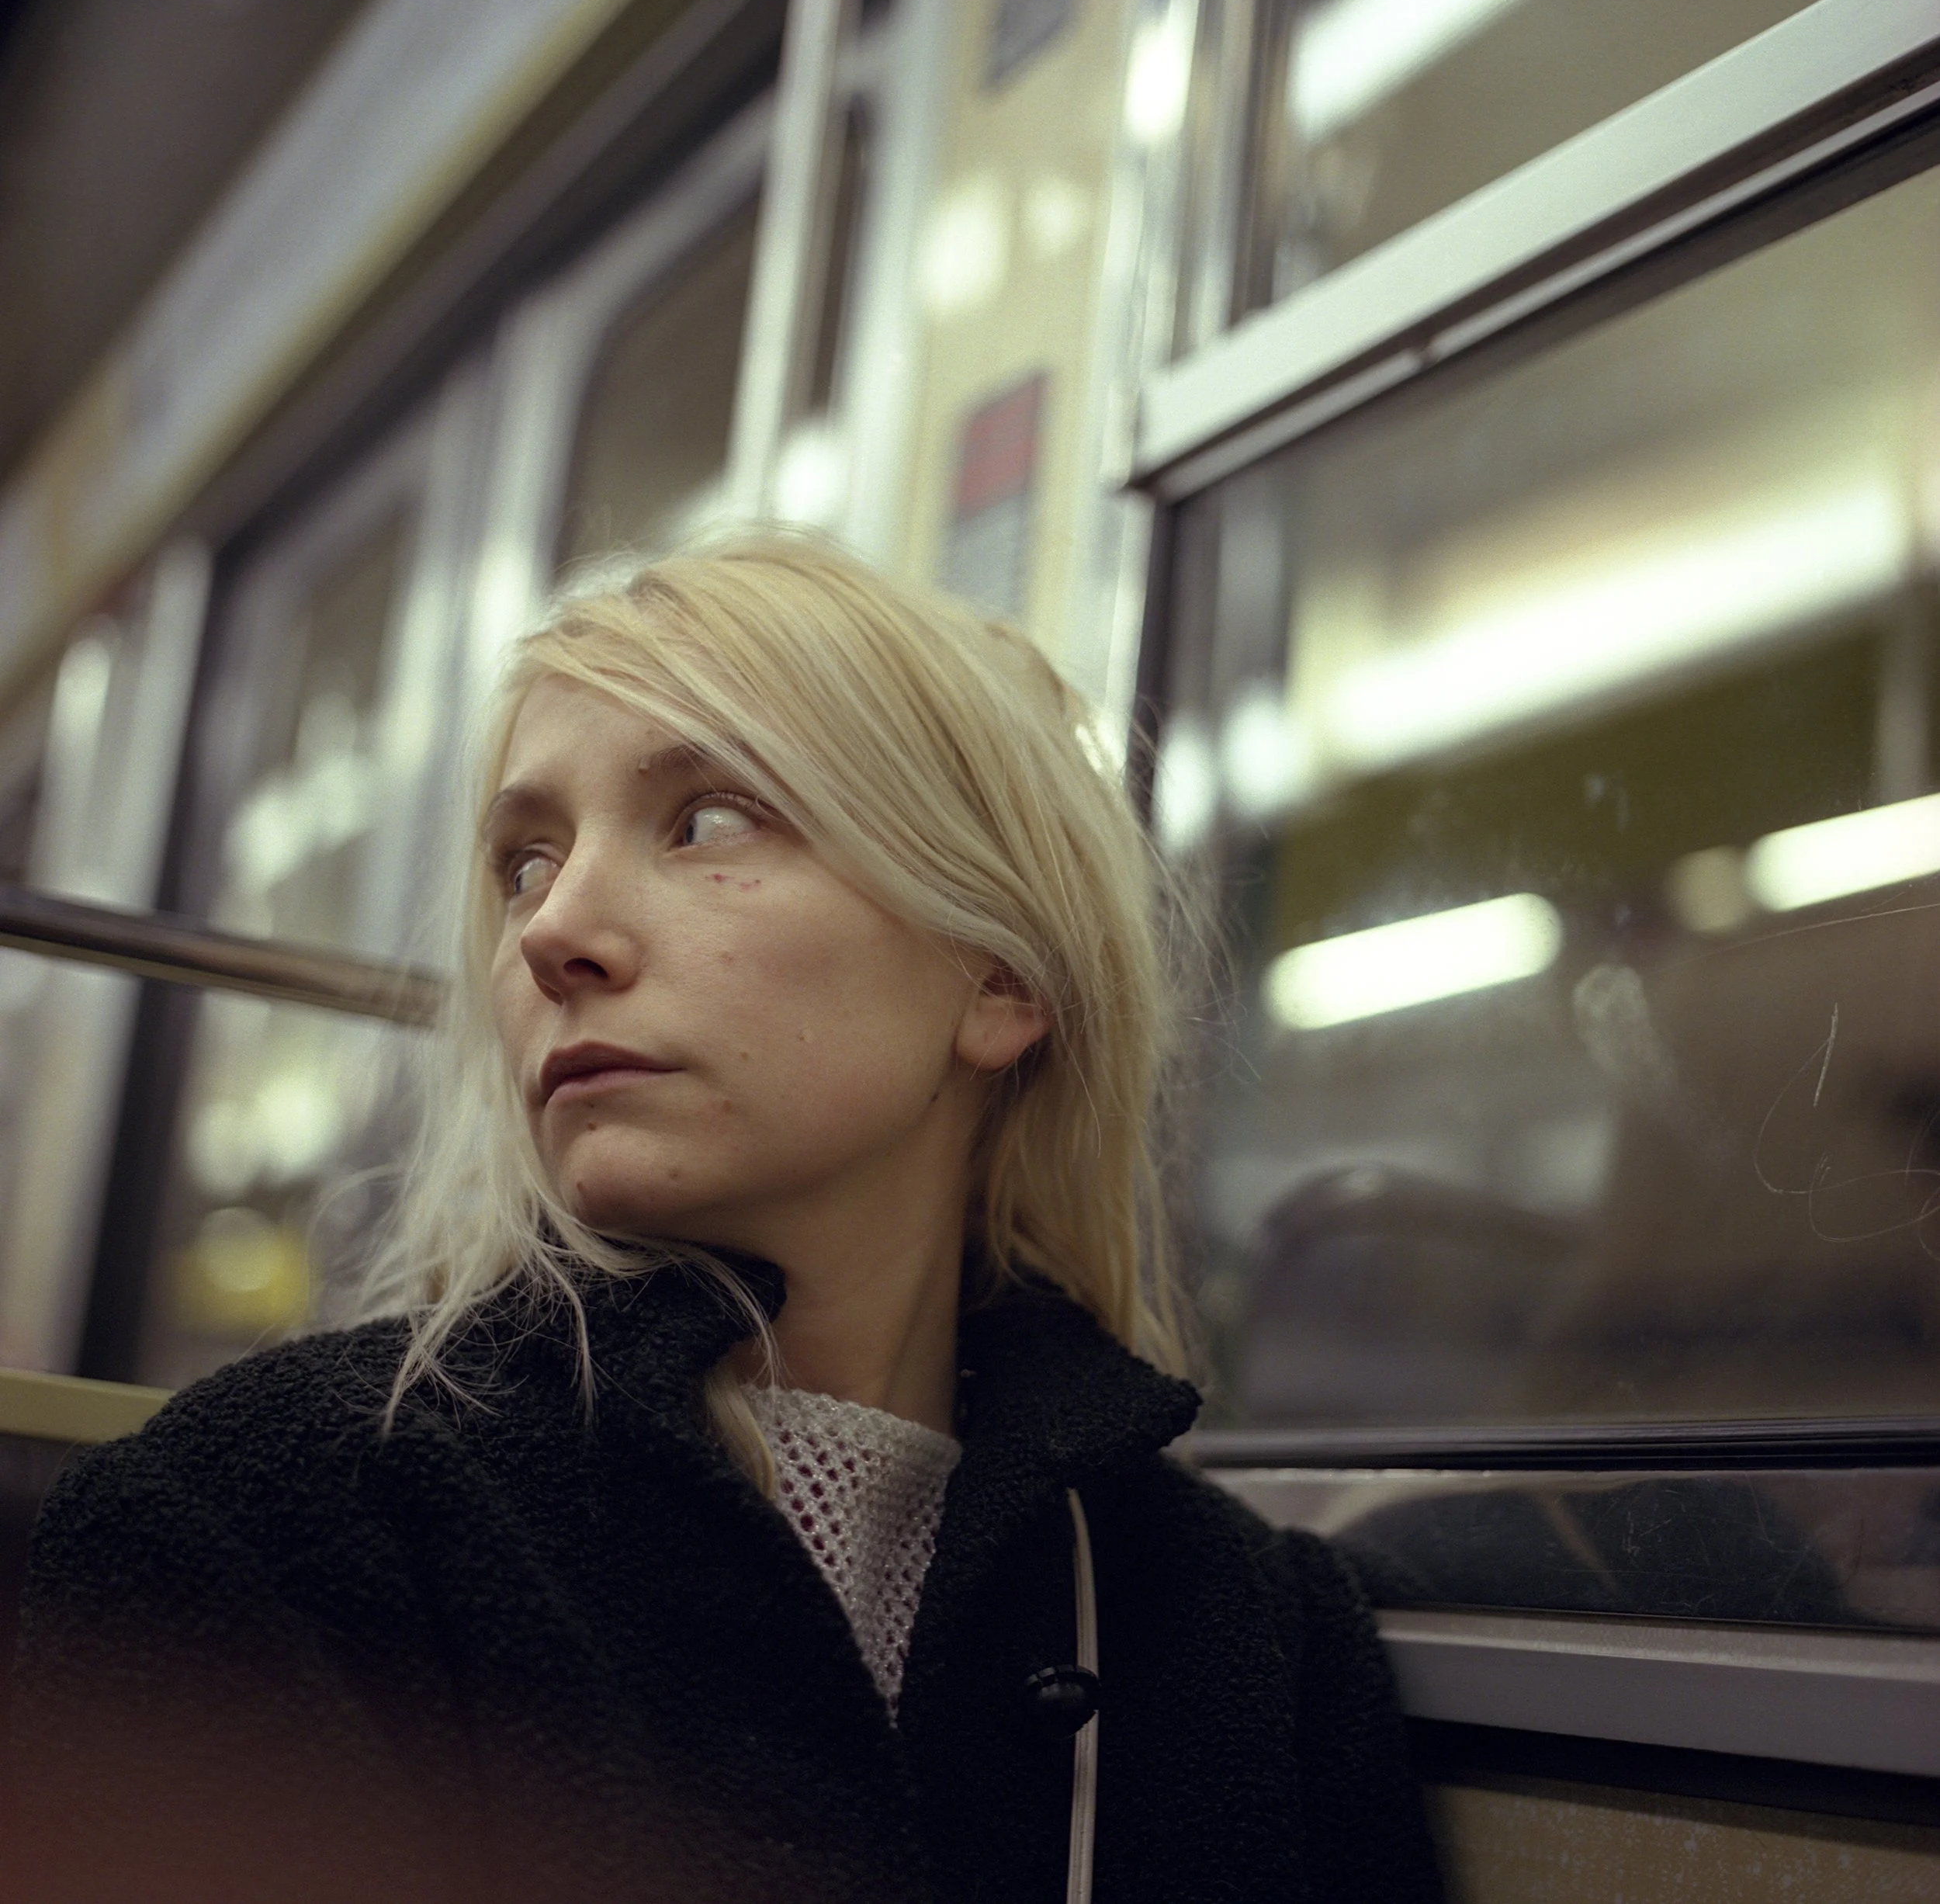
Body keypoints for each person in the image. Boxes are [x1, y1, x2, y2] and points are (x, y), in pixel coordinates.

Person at [8, 537, 1443, 1903]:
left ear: (999, 980)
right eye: (524, 861)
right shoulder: (268, 1521)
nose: (552, 933)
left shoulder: (1246, 1630)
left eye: (706, 819)